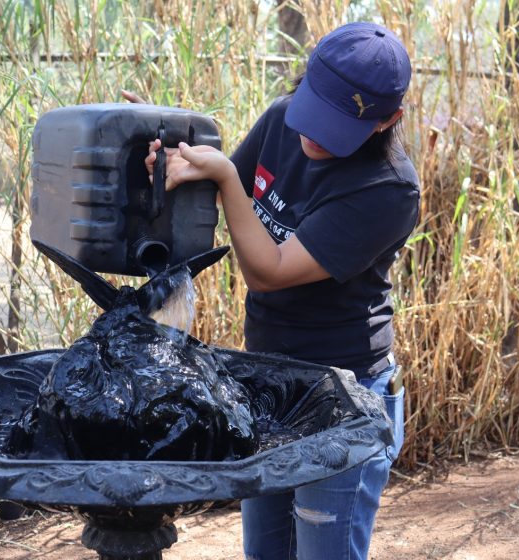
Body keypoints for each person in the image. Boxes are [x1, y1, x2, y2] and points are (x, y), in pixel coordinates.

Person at [126, 21, 418, 560]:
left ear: (387, 121)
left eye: (337, 129)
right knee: (264, 552)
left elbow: (270, 269)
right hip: (266, 379)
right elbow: (221, 208)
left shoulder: (388, 190)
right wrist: (178, 162)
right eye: (315, 113)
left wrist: (225, 180)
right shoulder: (284, 120)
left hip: (341, 397)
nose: (313, 138)